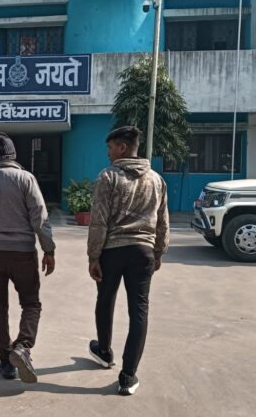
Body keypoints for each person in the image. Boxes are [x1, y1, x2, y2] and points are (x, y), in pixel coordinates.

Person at [86, 126, 169, 396]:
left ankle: (104, 352)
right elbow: (162, 221)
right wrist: (158, 252)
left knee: (105, 299)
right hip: (143, 252)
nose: (108, 153)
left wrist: (94, 256)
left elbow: (99, 219)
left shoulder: (108, 176)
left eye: (110, 148)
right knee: (139, 311)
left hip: (112, 252)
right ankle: (128, 376)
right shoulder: (156, 180)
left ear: (122, 147)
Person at [0, 132, 56, 384]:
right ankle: (23, 347)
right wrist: (48, 250)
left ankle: (6, 361)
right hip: (23, 252)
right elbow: (40, 218)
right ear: (13, 155)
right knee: (31, 303)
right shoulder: (26, 179)